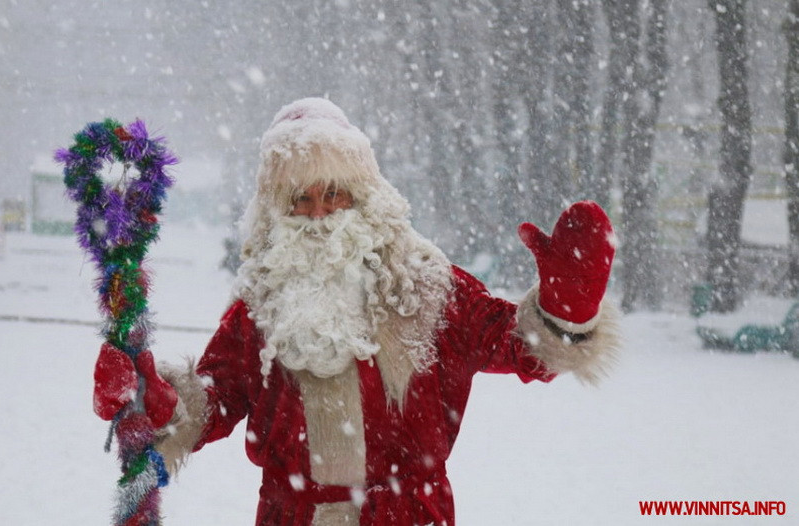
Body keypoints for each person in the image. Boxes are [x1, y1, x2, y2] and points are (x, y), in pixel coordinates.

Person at [92, 98, 620, 525]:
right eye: (300, 197)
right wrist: (155, 402)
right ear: (277, 206)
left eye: (334, 193)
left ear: (362, 196)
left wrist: (564, 307)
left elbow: (514, 345)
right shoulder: (259, 305)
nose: (319, 212)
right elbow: (216, 398)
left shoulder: (425, 286)